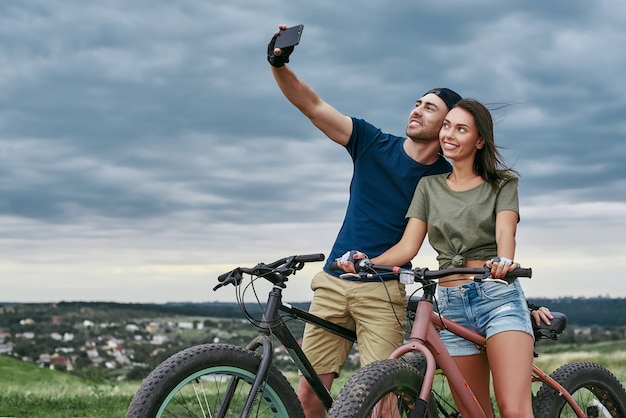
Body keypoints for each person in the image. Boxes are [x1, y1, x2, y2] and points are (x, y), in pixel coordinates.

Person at [267, 25, 462, 417]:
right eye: (417, 103)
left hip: (384, 290)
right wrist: (278, 63)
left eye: (429, 107)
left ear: (445, 126)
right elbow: (313, 106)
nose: (416, 109)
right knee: (310, 396)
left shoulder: (443, 178)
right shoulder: (371, 142)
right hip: (334, 281)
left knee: (382, 402)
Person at [339, 98, 541, 417]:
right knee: (474, 412)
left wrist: (504, 261)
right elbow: (408, 247)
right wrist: (368, 261)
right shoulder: (428, 187)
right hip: (449, 307)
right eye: (447, 126)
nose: (449, 134)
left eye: (461, 129)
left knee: (513, 409)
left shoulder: (502, 183)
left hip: (496, 297)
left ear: (479, 140)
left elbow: (506, 232)